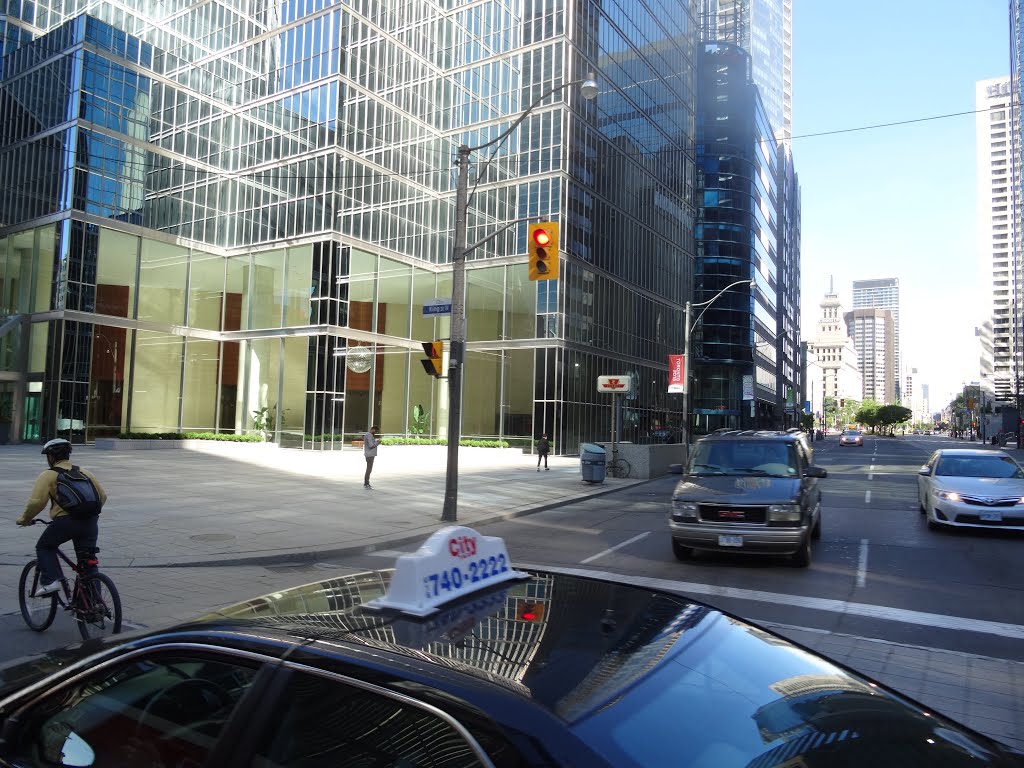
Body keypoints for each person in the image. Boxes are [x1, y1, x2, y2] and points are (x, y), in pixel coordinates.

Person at [16, 438, 107, 596]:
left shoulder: (49, 475)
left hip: (66, 522)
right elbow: (103, 496)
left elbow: (36, 503)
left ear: (50, 457)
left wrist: (24, 519)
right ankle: (95, 604)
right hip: (91, 522)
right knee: (88, 561)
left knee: (44, 547)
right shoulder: (85, 472)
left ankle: (51, 581)